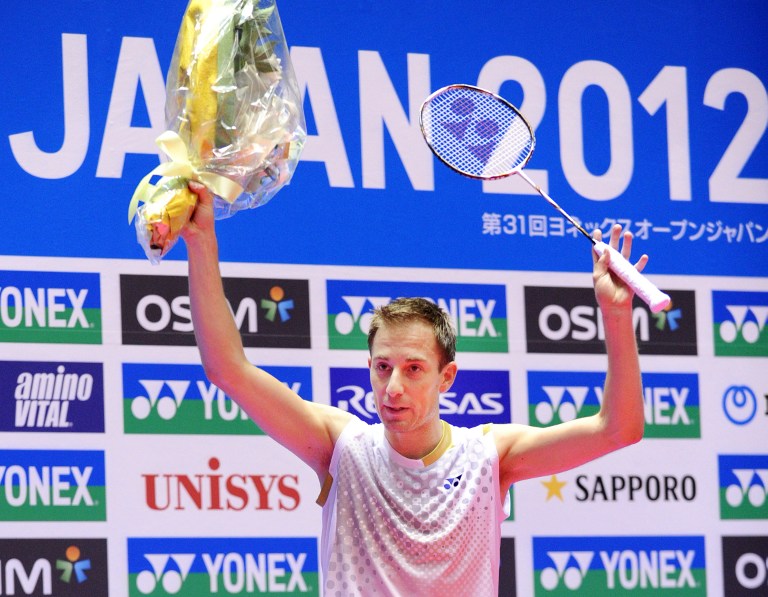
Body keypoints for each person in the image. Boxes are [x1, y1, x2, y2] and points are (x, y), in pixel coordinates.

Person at [182, 182, 646, 595]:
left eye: (414, 369)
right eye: (383, 367)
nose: (393, 388)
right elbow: (229, 369)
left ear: (447, 377)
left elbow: (618, 429)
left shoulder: (488, 456)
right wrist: (202, 242)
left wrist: (617, 316)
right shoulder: (341, 447)